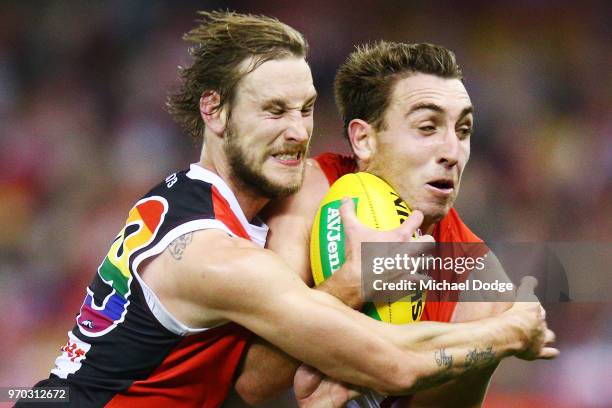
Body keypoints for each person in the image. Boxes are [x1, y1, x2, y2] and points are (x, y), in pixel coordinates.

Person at [20, 13, 556, 408]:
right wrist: (514, 331)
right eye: (274, 110)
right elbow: (393, 365)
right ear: (215, 111)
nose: (298, 132)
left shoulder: (187, 197)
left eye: (305, 110)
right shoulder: (215, 256)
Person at [235, 42, 545, 407]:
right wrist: (350, 287)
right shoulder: (309, 192)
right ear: (364, 140)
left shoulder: (479, 292)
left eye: (463, 130)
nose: (452, 152)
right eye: (427, 127)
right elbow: (252, 384)